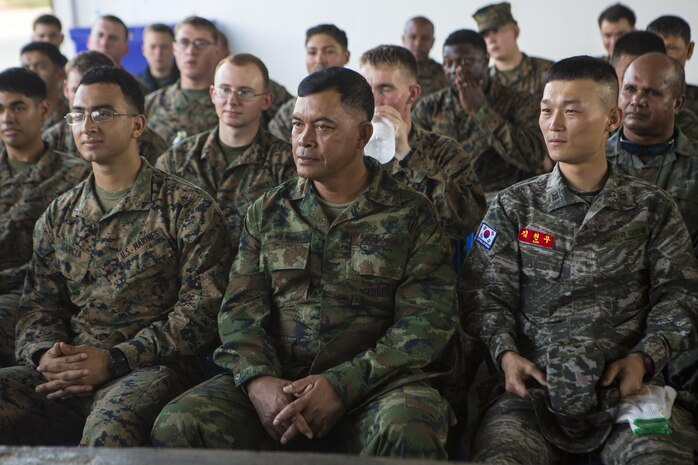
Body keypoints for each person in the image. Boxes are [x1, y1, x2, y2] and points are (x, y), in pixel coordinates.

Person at [151, 67, 458, 459]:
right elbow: (240, 310)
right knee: (180, 423)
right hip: (279, 381)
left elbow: (425, 325)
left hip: (375, 388)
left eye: (324, 127)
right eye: (297, 125)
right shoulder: (269, 210)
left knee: (409, 427)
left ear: (363, 135)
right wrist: (258, 380)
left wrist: (342, 385)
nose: (304, 141)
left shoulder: (412, 214)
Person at [462, 55, 698, 465]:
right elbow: (483, 296)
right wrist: (505, 355)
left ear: (612, 119)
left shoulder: (650, 208)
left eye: (571, 111)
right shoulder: (515, 206)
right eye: (546, 110)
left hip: (629, 395)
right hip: (531, 397)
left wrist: (645, 357)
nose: (553, 124)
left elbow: (680, 296)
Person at [0, 66, 231, 446]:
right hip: (71, 363)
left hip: (150, 367)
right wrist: (45, 355)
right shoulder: (60, 214)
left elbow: (201, 312)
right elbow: (39, 305)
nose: (86, 125)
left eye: (102, 113)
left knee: (110, 427)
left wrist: (116, 359)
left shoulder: (187, 208)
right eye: (77, 114)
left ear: (137, 126)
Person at [607, 52, 698, 398]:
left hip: (683, 319)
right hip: (606, 320)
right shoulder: (590, 162)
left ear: (678, 102)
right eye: (629, 89)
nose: (637, 100)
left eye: (652, 92)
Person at [156, 53, 296, 251]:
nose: (232, 101)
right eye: (225, 90)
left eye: (245, 92)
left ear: (266, 100)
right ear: (213, 94)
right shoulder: (178, 159)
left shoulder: (286, 164)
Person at [0, 68, 89, 367]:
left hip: (34, 294)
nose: (7, 118)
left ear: (44, 108)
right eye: (0, 109)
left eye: (18, 107)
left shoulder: (75, 175)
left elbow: (67, 260)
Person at [359, 44, 485, 239]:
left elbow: (467, 222)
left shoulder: (443, 151)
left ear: (413, 94)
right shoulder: (348, 147)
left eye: (385, 89)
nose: (374, 99)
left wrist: (407, 155)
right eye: (366, 89)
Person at [412, 29, 547, 203]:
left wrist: (481, 112)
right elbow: (413, 160)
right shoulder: (429, 106)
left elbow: (534, 158)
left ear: (485, 61)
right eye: (449, 63)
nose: (456, 70)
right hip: (445, 204)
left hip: (502, 203)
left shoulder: (519, 101)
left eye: (466, 61)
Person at [43, 51, 167, 165]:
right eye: (76, 90)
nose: (85, 98)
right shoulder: (51, 142)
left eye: (96, 92)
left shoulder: (150, 144)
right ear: (66, 89)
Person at [145, 16, 221, 145]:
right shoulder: (151, 103)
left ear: (216, 52)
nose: (191, 51)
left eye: (201, 43)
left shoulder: (229, 105)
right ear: (175, 49)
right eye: (184, 42)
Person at [269, 24, 350, 142]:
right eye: (312, 52)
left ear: (346, 56)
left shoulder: (358, 102)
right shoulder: (290, 111)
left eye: (329, 52)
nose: (319, 59)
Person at [611, 30, 698, 140]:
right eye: (630, 83)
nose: (637, 99)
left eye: (651, 91)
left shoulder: (686, 126)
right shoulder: (601, 121)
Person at [472, 2, 553, 98]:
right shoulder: (482, 81)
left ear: (515, 31)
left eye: (495, 31)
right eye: (485, 35)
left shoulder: (550, 71)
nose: (490, 40)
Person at [647, 15, 698, 117]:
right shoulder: (634, 97)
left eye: (670, 48)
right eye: (655, 47)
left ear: (689, 50)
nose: (662, 55)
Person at [20, 41, 69, 131]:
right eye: (25, 68)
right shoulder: (15, 118)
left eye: (41, 67)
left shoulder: (71, 116)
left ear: (60, 73)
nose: (31, 73)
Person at [401, 16, 448, 98]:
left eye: (424, 38)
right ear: (403, 39)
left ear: (432, 42)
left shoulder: (445, 74)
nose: (418, 43)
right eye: (413, 37)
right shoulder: (390, 72)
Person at [138, 23, 180, 94]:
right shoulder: (136, 85)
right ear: (144, 50)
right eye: (153, 47)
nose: (158, 52)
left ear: (174, 49)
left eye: (164, 47)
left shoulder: (187, 82)